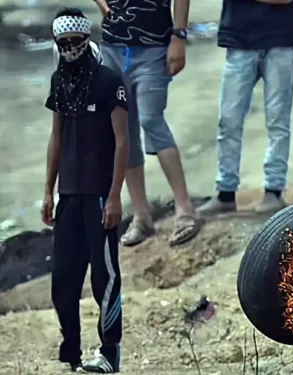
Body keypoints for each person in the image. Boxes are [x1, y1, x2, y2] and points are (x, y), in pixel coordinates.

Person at [42, 8, 129, 373]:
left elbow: (123, 142)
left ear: (86, 39)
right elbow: (56, 138)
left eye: (75, 42)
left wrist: (114, 196)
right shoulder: (59, 81)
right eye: (63, 44)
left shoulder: (109, 81)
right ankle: (72, 354)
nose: (70, 49)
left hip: (98, 195)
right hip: (69, 195)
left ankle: (109, 353)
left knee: (104, 278)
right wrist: (48, 191)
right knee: (63, 278)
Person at [91, 0, 202, 247]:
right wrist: (102, 5)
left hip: (154, 46)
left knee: (151, 119)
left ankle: (185, 208)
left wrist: (179, 36)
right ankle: (141, 216)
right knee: (121, 128)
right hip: (111, 47)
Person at [196, 0, 293, 216]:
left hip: (279, 37)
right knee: (228, 120)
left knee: (277, 119)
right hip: (240, 37)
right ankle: (226, 192)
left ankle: (273, 189)